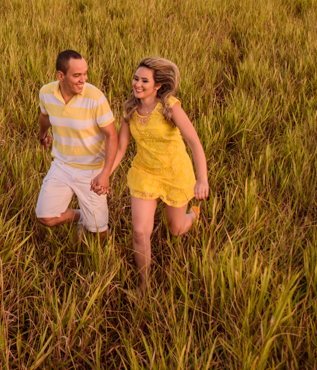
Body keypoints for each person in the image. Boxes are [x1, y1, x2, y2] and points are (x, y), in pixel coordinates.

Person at [106, 56, 209, 289]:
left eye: (144, 81)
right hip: (145, 174)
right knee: (140, 233)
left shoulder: (169, 106)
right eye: (135, 78)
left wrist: (202, 178)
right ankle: (145, 284)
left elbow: (194, 142)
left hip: (175, 173)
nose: (137, 84)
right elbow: (121, 148)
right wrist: (105, 175)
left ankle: (193, 215)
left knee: (175, 229)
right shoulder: (130, 109)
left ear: (158, 86)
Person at [35, 50, 118, 241]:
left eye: (85, 73)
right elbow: (44, 116)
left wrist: (104, 173)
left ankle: (94, 224)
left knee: (100, 234)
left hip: (91, 172)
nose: (84, 79)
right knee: (46, 217)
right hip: (61, 165)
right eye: (77, 75)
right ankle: (82, 216)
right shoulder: (46, 93)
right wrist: (42, 135)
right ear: (60, 76)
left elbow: (112, 135)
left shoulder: (95, 97)